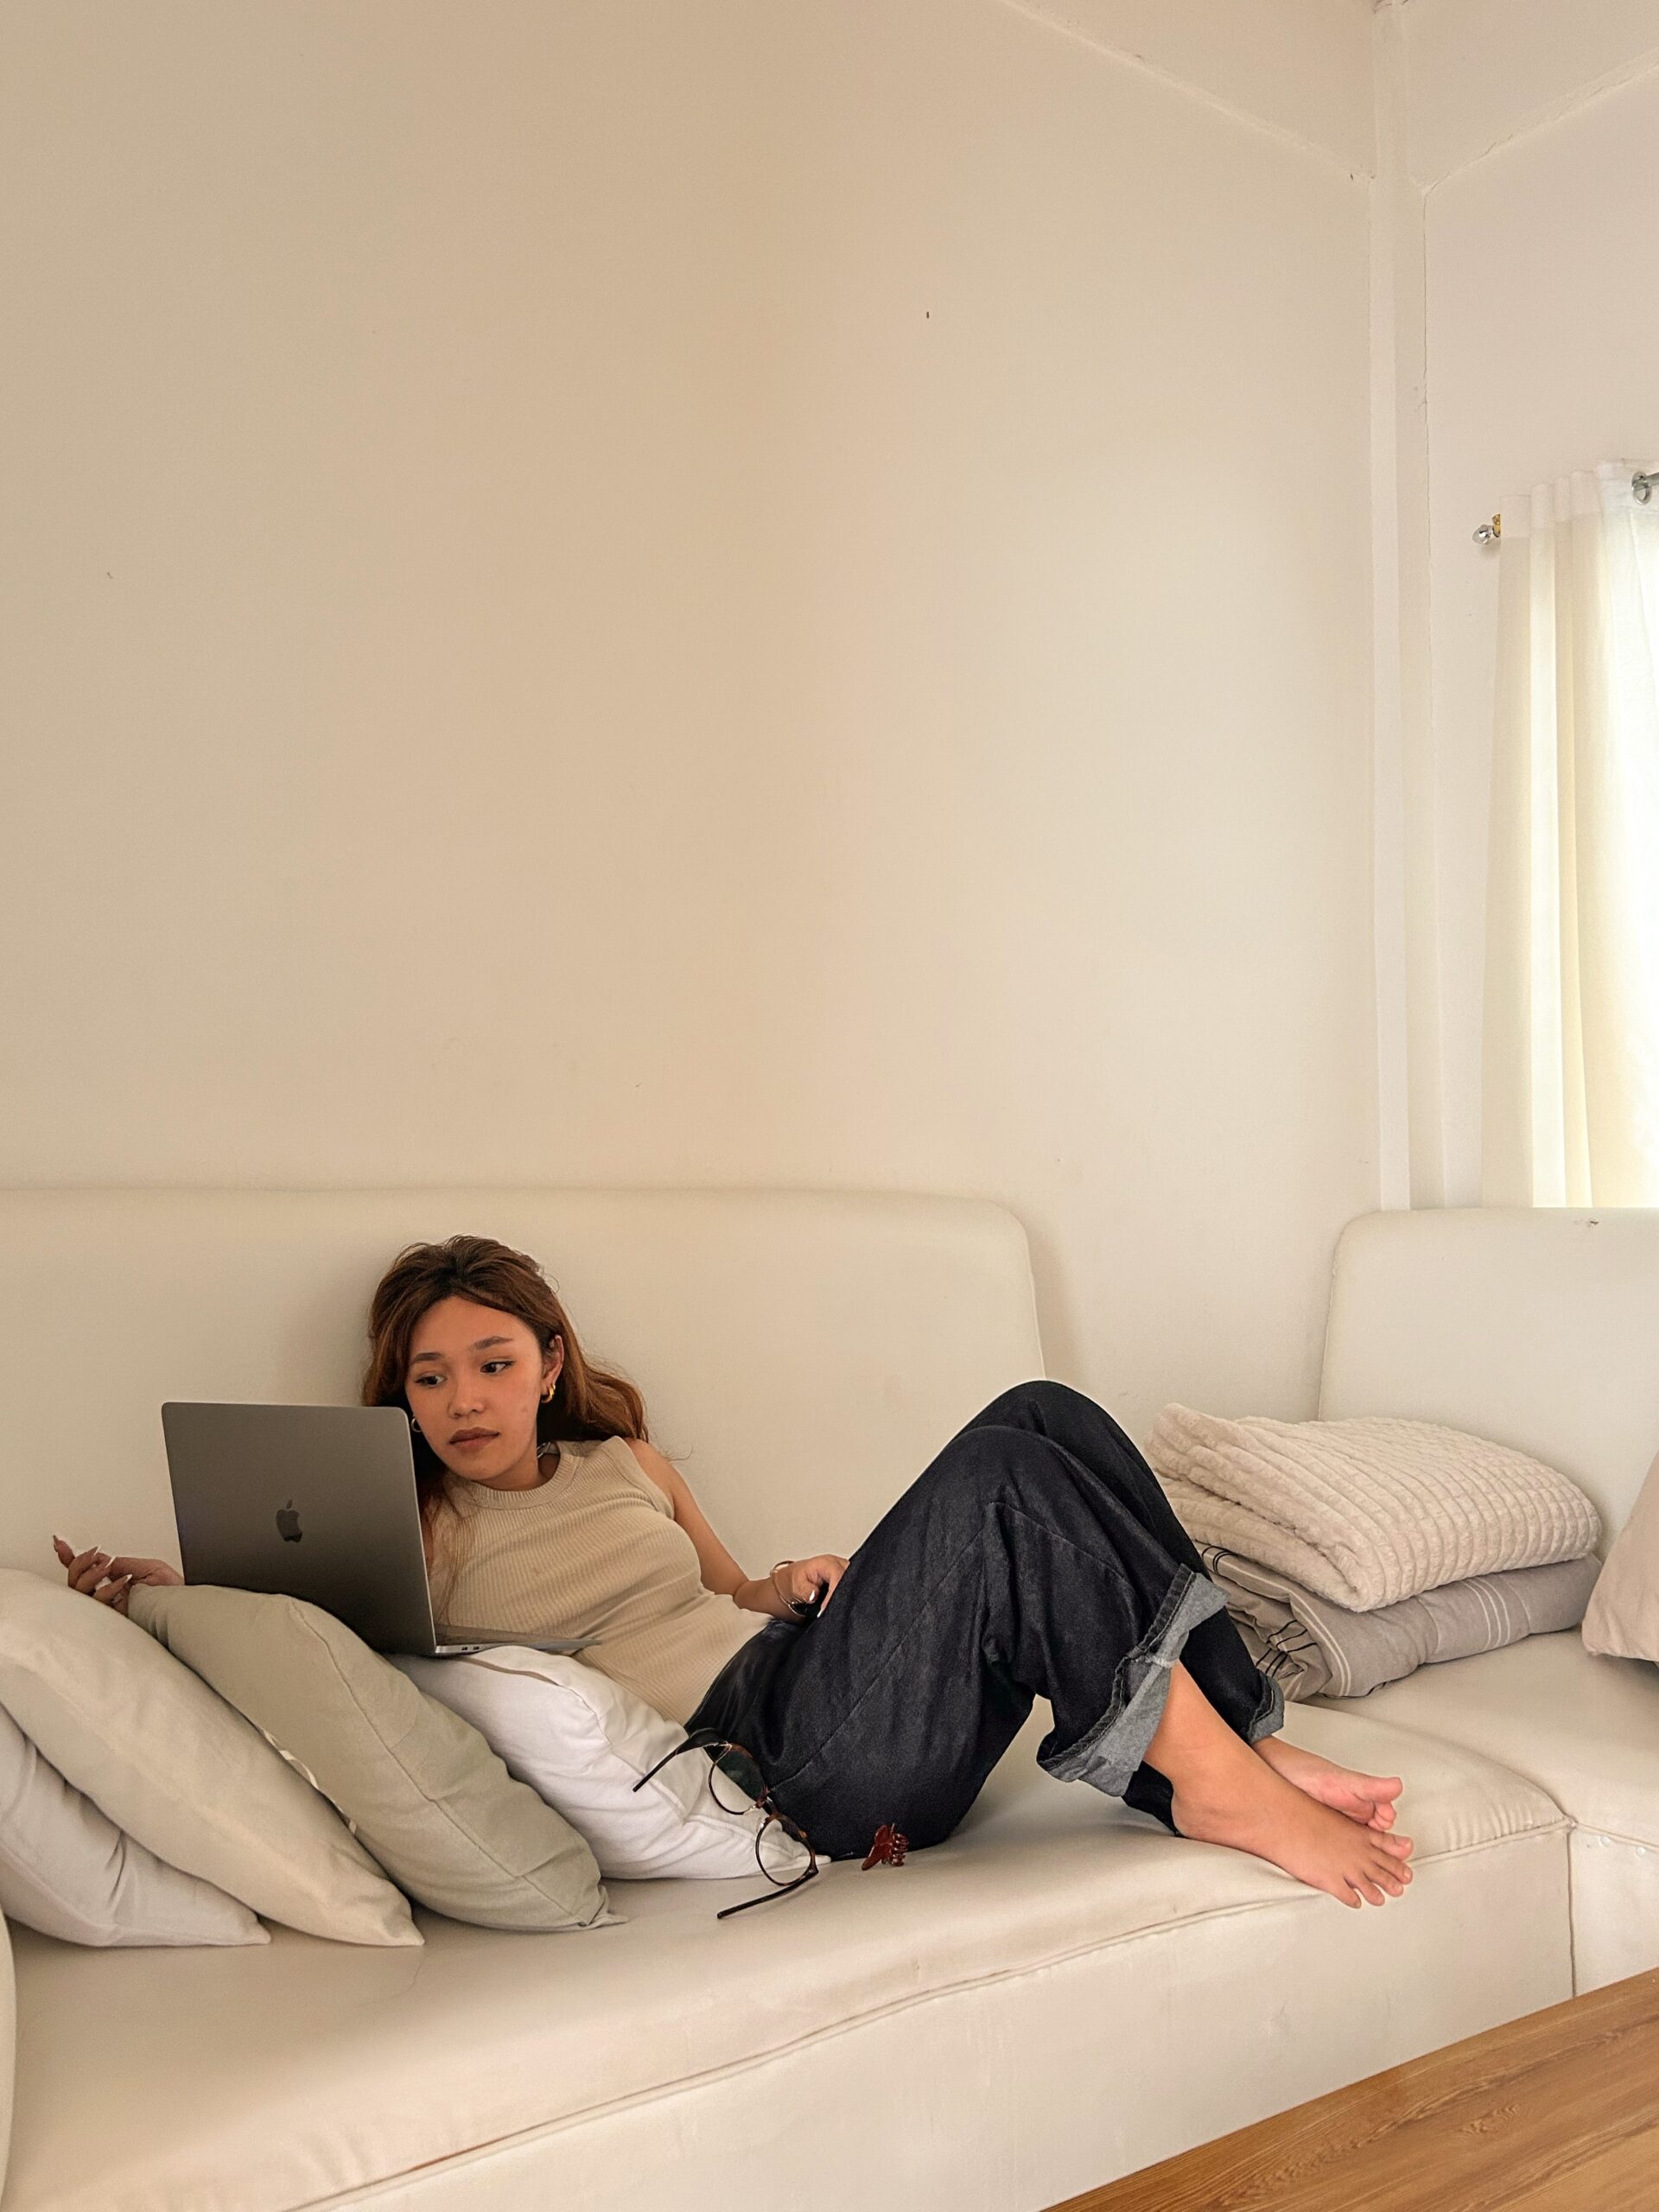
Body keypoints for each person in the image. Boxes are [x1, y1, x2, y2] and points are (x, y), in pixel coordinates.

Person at [57, 1233, 1414, 1912]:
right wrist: (156, 1586)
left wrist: (786, 1585)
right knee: (1008, 1483)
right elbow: (285, 1604)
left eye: (490, 1363)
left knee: (1042, 1413)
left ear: (545, 1359)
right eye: (427, 1376)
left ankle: (1233, 1746)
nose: (462, 1399)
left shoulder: (627, 1460)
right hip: (775, 1767)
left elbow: (722, 1591)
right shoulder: (410, 1526)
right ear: (397, 1396)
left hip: (801, 1674)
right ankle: (1228, 1779)